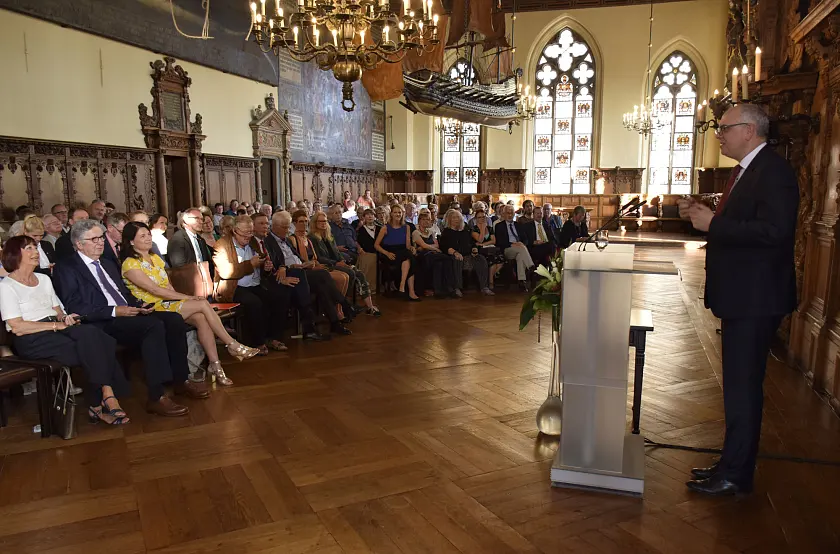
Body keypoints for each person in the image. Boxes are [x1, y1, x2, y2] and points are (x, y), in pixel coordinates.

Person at [679, 104, 798, 496]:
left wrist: (713, 223)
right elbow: (747, 226)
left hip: (756, 298)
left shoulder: (773, 172)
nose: (718, 134)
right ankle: (731, 463)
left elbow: (774, 232)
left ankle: (735, 475)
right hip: (743, 296)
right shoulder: (746, 172)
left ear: (749, 130)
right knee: (737, 388)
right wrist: (709, 216)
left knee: (743, 389)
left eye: (724, 128)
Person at [53, 219, 208, 417]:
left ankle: (180, 380)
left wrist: (137, 305)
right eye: (94, 239)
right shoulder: (67, 267)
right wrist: (115, 311)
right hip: (101, 322)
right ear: (79, 244)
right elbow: (74, 305)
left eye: (101, 237)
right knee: (152, 326)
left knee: (173, 319)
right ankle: (157, 396)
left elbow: (123, 293)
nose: (100, 242)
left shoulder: (108, 264)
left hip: (127, 314)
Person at [0, 236, 132, 425]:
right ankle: (105, 398)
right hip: (31, 338)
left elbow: (57, 310)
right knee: (96, 346)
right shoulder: (6, 286)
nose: (36, 252)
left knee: (95, 335)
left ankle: (102, 399)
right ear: (14, 254)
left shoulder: (44, 279)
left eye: (35, 247)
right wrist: (56, 325)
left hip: (57, 328)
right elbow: (17, 326)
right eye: (29, 248)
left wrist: (65, 318)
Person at [120, 222, 259, 386]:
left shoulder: (155, 258)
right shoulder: (130, 264)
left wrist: (182, 298)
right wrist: (188, 298)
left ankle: (216, 365)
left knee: (201, 317)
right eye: (142, 236)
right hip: (151, 308)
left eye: (148, 234)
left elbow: (167, 286)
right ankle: (231, 344)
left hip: (167, 302)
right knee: (201, 304)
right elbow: (156, 290)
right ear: (130, 241)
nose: (148, 238)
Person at [213, 215, 294, 352]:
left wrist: (265, 267)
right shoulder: (222, 245)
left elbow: (260, 263)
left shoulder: (252, 242)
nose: (248, 236)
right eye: (245, 233)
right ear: (234, 230)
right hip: (234, 288)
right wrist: (250, 264)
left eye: (251, 232)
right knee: (254, 302)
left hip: (256, 284)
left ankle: (274, 337)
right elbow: (225, 272)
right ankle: (257, 342)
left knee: (281, 296)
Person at [266, 211, 351, 336]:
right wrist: (289, 266)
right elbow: (276, 263)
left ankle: (334, 322)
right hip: (291, 272)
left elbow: (297, 256)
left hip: (302, 269)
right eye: (285, 227)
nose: (288, 230)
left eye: (288, 227)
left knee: (323, 285)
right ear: (275, 226)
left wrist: (306, 263)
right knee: (322, 275)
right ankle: (344, 305)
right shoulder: (269, 241)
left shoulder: (286, 240)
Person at [310, 211, 380, 316]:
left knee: (359, 274)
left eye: (325, 221)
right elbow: (319, 258)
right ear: (315, 223)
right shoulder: (312, 238)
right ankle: (344, 305)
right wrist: (337, 263)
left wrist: (342, 260)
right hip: (326, 266)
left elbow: (336, 252)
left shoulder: (329, 236)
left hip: (337, 263)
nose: (323, 223)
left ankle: (370, 307)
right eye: (320, 221)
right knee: (350, 273)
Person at [289, 210, 351, 318]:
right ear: (294, 223)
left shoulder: (307, 239)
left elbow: (315, 257)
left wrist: (316, 263)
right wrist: (315, 264)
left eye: (305, 221)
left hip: (315, 266)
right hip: (306, 271)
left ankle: (340, 308)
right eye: (301, 222)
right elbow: (298, 261)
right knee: (340, 278)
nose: (304, 224)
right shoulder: (293, 239)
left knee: (345, 276)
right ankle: (341, 308)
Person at [440, 209, 492, 296]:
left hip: (468, 255)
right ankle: (457, 288)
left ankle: (484, 287)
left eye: (458, 217)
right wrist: (455, 252)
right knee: (458, 259)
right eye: (454, 218)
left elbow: (472, 244)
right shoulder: (447, 232)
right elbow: (444, 246)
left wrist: (474, 249)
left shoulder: (465, 232)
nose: (456, 219)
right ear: (449, 220)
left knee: (481, 259)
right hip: (454, 255)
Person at [374, 204, 420, 301]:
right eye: (395, 212)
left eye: (399, 212)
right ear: (391, 214)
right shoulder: (385, 228)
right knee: (409, 259)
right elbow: (376, 245)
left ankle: (404, 287)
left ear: (402, 214)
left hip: (403, 251)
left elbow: (407, 245)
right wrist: (386, 253)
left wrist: (412, 248)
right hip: (390, 253)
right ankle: (408, 290)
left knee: (408, 258)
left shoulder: (406, 227)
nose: (397, 214)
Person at [412, 211, 455, 298]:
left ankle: (440, 290)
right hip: (422, 256)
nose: (426, 221)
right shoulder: (415, 232)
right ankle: (449, 287)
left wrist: (429, 247)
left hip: (431, 254)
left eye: (428, 219)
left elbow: (436, 244)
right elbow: (423, 245)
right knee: (447, 258)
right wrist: (434, 248)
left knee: (439, 264)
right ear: (419, 221)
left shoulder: (430, 232)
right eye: (423, 219)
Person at [494, 204, 535, 291]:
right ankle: (531, 267)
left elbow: (525, 239)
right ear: (504, 214)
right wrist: (512, 244)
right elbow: (499, 242)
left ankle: (521, 281)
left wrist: (521, 243)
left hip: (519, 248)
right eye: (507, 213)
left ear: (514, 214)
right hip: (507, 249)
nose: (509, 215)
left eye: (511, 213)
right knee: (522, 249)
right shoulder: (499, 226)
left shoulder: (518, 225)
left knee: (520, 255)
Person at [168, 207, 215, 277]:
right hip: (188, 280)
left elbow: (207, 263)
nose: (201, 222)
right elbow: (179, 267)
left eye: (201, 219)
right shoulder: (178, 239)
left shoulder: (200, 240)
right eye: (196, 218)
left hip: (205, 279)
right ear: (185, 220)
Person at [470, 209, 505, 289]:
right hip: (481, 251)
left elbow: (493, 240)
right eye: (479, 217)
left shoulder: (489, 228)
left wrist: (483, 244)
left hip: (491, 249)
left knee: (501, 260)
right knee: (493, 262)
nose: (482, 219)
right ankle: (491, 282)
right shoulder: (474, 229)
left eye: (483, 217)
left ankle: (490, 277)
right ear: (476, 219)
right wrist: (482, 229)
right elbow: (480, 239)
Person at [355, 209, 380, 293]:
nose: (370, 216)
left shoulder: (380, 228)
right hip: (365, 252)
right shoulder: (361, 230)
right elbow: (357, 242)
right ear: (364, 217)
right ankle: (367, 287)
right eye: (367, 215)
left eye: (372, 214)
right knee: (367, 259)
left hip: (379, 252)